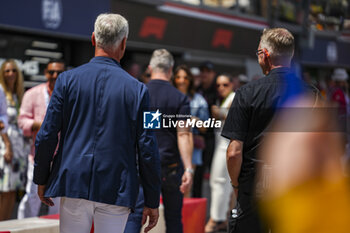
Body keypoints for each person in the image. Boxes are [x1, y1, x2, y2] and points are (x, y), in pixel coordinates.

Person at [33, 13, 161, 233]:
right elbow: (149, 146)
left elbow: (47, 133)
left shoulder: (65, 80)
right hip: (117, 186)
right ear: (123, 43)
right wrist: (152, 199)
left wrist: (41, 176)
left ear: (93, 39)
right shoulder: (140, 90)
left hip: (73, 181)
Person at [221, 28, 318, 233]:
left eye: (258, 53)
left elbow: (233, 152)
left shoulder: (246, 93)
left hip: (255, 188)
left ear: (265, 55)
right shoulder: (312, 95)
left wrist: (237, 185)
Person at [147, 49, 193, 233]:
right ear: (171, 69)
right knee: (174, 219)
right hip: (171, 166)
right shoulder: (180, 98)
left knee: (134, 217)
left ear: (150, 68)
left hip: (142, 165)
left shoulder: (139, 92)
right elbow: (183, 134)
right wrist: (188, 168)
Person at [17, 59, 65, 219]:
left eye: (59, 72)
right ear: (45, 73)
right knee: (32, 195)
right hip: (37, 154)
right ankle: (23, 226)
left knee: (57, 199)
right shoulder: (32, 94)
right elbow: (22, 121)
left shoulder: (70, 94)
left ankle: (53, 227)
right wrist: (42, 124)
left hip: (61, 156)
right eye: (51, 72)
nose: (55, 75)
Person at [205, 73, 235, 232]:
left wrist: (220, 113)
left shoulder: (234, 97)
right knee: (222, 183)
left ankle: (215, 219)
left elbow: (233, 117)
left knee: (217, 182)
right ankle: (221, 218)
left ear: (232, 84)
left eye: (225, 84)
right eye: (218, 85)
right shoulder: (223, 100)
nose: (221, 88)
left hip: (226, 145)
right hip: (221, 144)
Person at [173, 65, 209, 196]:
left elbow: (205, 127)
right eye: (178, 77)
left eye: (185, 77)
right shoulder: (168, 96)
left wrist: (195, 120)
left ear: (190, 80)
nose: (182, 80)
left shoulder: (198, 100)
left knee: (186, 185)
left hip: (190, 145)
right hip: (170, 144)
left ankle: (183, 216)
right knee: (168, 185)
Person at [0, 60, 28, 221]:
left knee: (12, 190)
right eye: (7, 71)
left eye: (13, 71)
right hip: (5, 144)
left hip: (19, 146)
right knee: (5, 189)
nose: (10, 74)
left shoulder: (18, 95)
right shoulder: (1, 92)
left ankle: (6, 224)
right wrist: (8, 146)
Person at [193, 61, 217, 198]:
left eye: (207, 71)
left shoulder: (217, 90)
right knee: (197, 173)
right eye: (202, 71)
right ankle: (197, 200)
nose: (204, 74)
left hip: (213, 137)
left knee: (213, 174)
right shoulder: (197, 89)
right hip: (198, 137)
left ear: (213, 74)